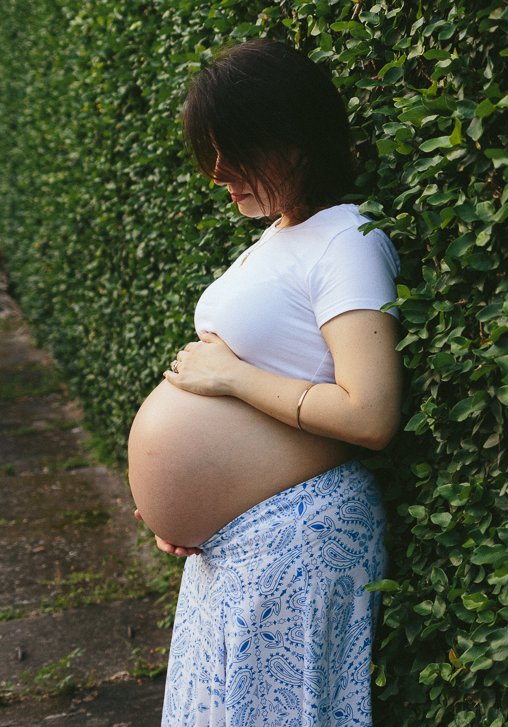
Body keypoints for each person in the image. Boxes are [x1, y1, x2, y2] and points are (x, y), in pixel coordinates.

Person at [127, 38, 401, 726]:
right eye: (211, 152)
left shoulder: (348, 239)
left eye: (236, 148)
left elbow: (370, 413)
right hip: (236, 547)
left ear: (295, 135)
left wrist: (231, 376)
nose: (218, 171)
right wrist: (188, 508)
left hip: (297, 540)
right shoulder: (277, 238)